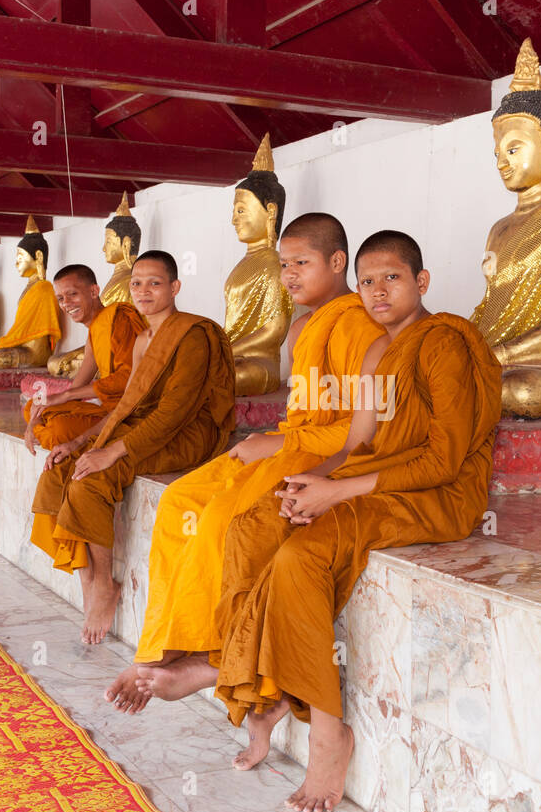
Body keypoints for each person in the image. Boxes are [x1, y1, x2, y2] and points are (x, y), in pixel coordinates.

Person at [213, 230, 501, 812]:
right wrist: (313, 484)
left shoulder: (442, 341)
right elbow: (358, 445)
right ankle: (261, 690)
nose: (376, 291)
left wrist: (339, 493)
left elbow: (444, 460)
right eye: (367, 280)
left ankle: (328, 733)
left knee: (300, 555)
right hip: (380, 475)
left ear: (421, 282)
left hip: (438, 494)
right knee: (254, 525)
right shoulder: (376, 352)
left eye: (391, 277)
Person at [103, 213, 384, 720]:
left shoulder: (359, 325)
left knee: (221, 519)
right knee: (179, 501)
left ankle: (206, 649)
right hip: (290, 442)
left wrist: (281, 442)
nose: (288, 275)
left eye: (301, 262)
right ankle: (162, 643)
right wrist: (275, 439)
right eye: (283, 264)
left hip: (314, 453)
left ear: (337, 262)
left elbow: (358, 429)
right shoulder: (303, 325)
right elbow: (306, 404)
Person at [29, 251, 235, 644]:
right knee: (61, 469)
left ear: (175, 287)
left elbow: (174, 412)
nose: (143, 291)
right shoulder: (143, 338)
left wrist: (113, 451)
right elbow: (128, 405)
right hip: (147, 425)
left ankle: (104, 584)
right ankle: (88, 578)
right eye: (137, 283)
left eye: (155, 283)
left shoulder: (192, 334)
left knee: (93, 477)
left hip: (189, 432)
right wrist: (80, 441)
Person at [23, 264, 147, 452]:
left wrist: (65, 395)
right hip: (108, 408)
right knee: (34, 405)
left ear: (94, 291)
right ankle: (41, 428)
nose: (66, 303)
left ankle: (46, 432)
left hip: (130, 412)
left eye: (72, 294)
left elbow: (130, 378)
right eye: (61, 298)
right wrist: (35, 419)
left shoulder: (118, 318)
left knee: (58, 430)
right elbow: (77, 387)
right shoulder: (95, 331)